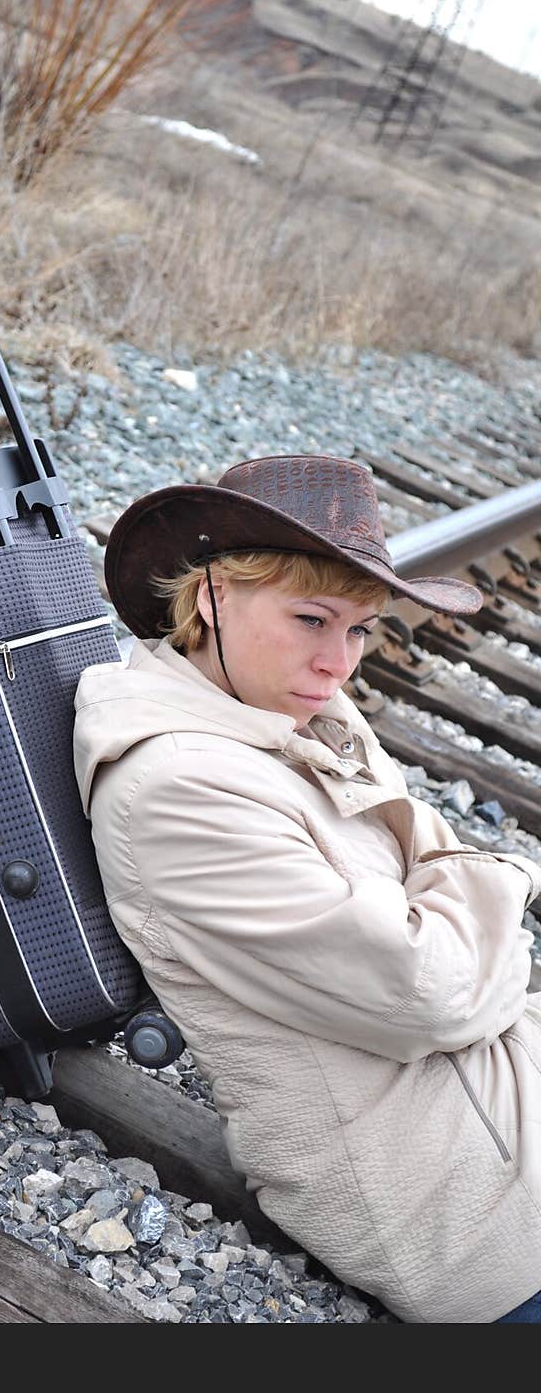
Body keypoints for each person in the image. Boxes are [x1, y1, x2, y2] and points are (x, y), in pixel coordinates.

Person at [72, 454, 541, 1324]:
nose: (339, 662)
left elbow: (436, 875)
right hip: (478, 1212)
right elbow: (432, 989)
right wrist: (503, 890)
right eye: (311, 618)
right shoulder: (180, 788)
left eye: (362, 629)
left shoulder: (295, 709)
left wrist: (462, 923)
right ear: (210, 597)